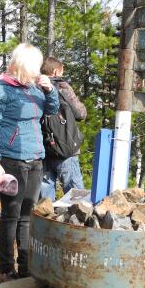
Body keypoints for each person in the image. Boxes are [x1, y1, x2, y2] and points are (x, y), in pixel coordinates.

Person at [0, 44, 60, 281]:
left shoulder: (35, 87)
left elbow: (52, 110)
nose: (39, 72)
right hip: (11, 160)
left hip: (36, 158)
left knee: (27, 215)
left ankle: (25, 268)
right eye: (35, 67)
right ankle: (7, 268)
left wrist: (50, 91)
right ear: (24, 66)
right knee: (11, 215)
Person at [39, 57, 87, 201]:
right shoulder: (62, 87)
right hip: (65, 149)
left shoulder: (34, 87)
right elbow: (81, 113)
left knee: (45, 199)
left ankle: (47, 222)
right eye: (61, 70)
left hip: (43, 150)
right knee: (76, 196)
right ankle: (76, 223)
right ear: (55, 72)